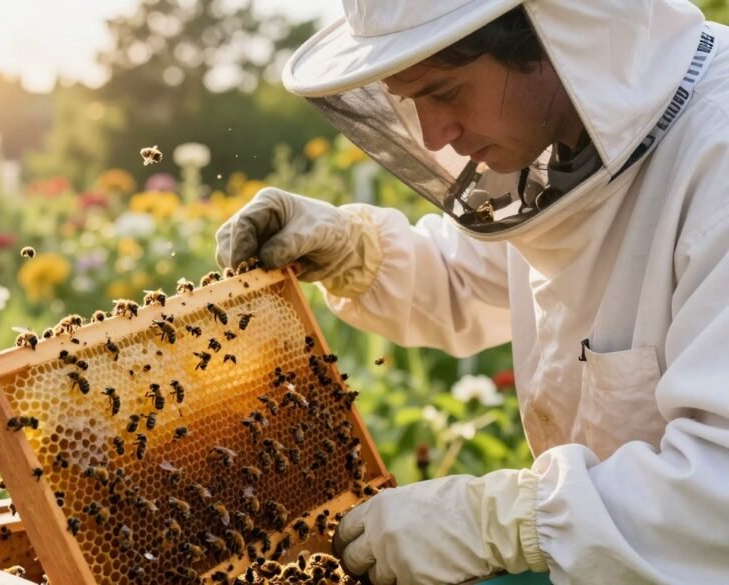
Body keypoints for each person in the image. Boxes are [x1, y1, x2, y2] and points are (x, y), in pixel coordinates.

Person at [215, 0, 729, 583]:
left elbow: (719, 493)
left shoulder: (716, 162)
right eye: (411, 102)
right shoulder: (574, 139)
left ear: (552, 37)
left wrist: (500, 522)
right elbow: (480, 277)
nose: (436, 135)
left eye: (447, 92)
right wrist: (358, 251)